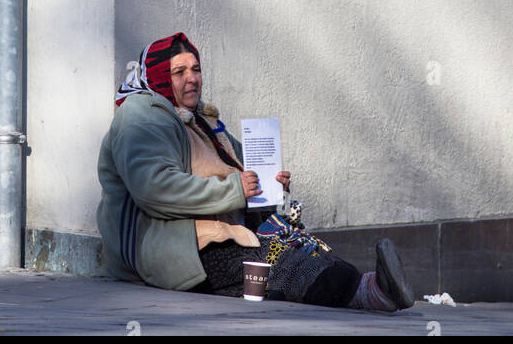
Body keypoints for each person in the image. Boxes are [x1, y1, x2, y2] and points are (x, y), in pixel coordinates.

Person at [96, 31, 414, 312]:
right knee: (277, 262)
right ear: (159, 79)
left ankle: (370, 287)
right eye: (179, 72)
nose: (192, 78)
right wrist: (236, 189)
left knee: (298, 249)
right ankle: (369, 293)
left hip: (214, 235)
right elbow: (154, 189)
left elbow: (241, 167)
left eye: (196, 69)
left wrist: (267, 181)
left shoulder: (198, 119)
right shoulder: (140, 117)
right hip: (172, 250)